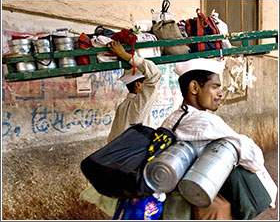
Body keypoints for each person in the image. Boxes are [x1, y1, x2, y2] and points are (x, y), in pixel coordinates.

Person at [160, 58, 277, 220]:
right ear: (194, 87)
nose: (220, 93)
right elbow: (254, 159)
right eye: (214, 87)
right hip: (205, 203)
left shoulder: (173, 118)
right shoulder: (205, 122)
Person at [80, 40, 162, 217]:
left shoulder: (123, 106)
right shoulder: (138, 105)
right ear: (139, 85)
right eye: (144, 84)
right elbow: (155, 75)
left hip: (120, 167)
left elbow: (112, 139)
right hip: (134, 168)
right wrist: (127, 57)